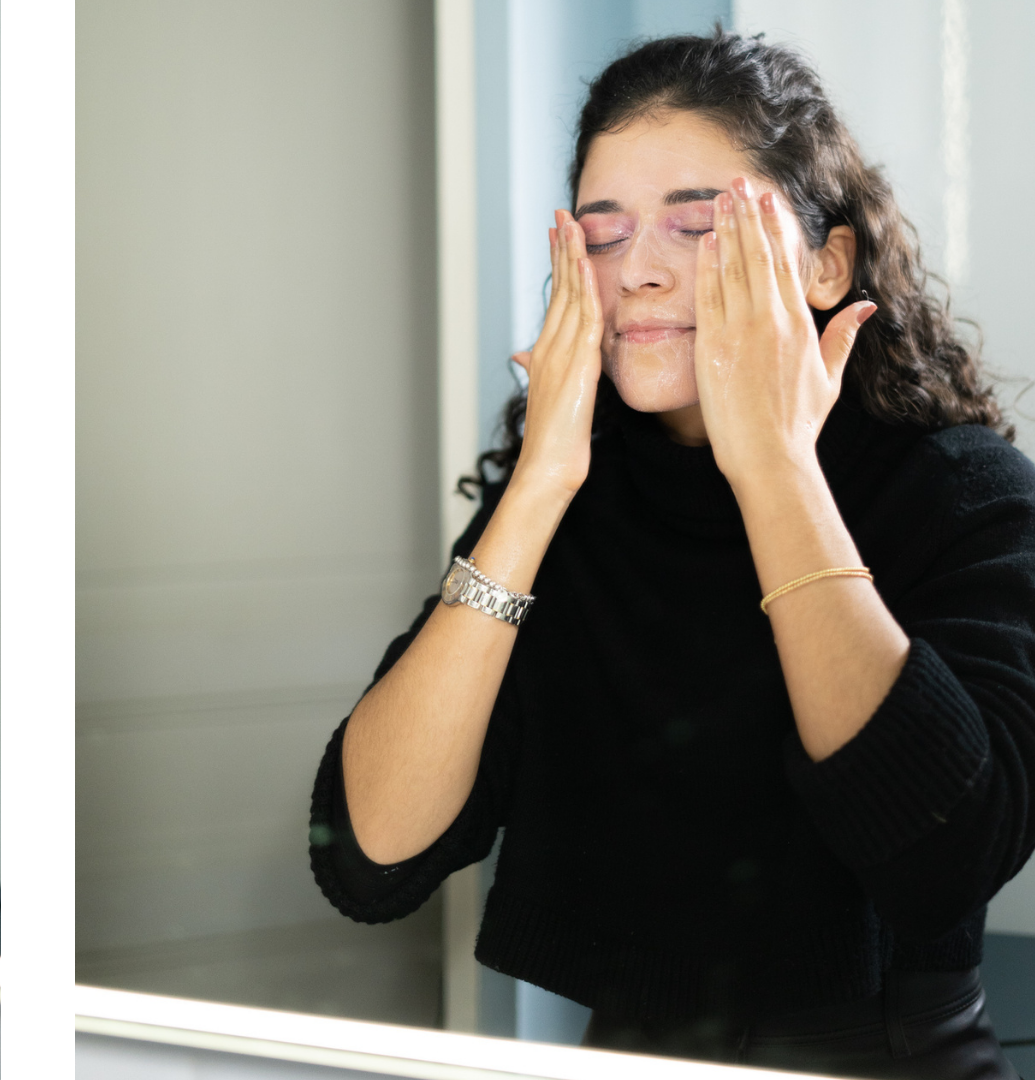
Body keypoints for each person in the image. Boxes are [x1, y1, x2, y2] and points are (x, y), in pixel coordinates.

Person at [311, 29, 1033, 1079]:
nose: (639, 271)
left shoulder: (960, 493)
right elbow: (371, 855)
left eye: (698, 227)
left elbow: (946, 858)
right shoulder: (572, 501)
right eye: (600, 238)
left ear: (828, 263)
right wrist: (535, 494)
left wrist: (775, 469)